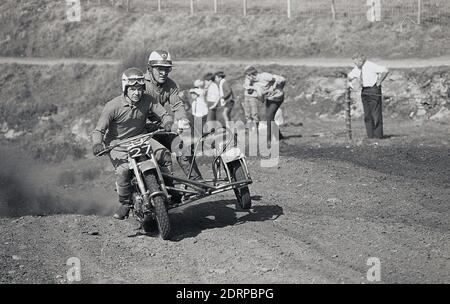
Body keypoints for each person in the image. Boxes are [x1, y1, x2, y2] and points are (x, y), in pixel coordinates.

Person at [92, 68, 173, 220]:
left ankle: (171, 189)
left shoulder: (148, 100)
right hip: (118, 144)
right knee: (123, 171)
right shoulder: (112, 106)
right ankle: (125, 203)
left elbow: (164, 114)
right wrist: (97, 144)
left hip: (143, 138)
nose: (137, 93)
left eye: (139, 89)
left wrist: (168, 122)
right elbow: (98, 130)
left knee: (166, 155)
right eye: (133, 89)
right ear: (125, 89)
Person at [144, 50, 203, 180]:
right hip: (141, 130)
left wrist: (182, 120)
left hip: (161, 126)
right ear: (150, 68)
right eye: (159, 69)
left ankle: (197, 181)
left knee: (181, 146)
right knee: (162, 155)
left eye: (167, 69)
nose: (163, 73)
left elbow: (177, 106)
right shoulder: (141, 84)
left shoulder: (171, 85)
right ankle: (166, 189)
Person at [347, 53, 389, 139]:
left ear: (360, 60)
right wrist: (351, 85)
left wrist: (379, 82)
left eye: (356, 62)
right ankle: (370, 136)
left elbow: (385, 70)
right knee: (367, 114)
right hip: (364, 90)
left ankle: (378, 136)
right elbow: (350, 76)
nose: (355, 65)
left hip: (373, 89)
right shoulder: (358, 68)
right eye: (354, 63)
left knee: (375, 114)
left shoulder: (371, 65)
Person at [243, 66, 286, 142]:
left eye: (248, 76)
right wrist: (250, 88)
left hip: (277, 98)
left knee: (269, 117)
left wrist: (275, 87)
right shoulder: (255, 84)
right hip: (269, 99)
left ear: (251, 75)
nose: (247, 79)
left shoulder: (264, 76)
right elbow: (260, 95)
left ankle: (268, 140)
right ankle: (280, 137)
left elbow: (281, 79)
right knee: (270, 118)